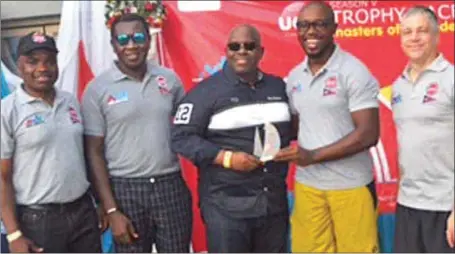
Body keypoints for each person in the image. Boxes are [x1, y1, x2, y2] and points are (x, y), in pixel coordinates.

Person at [171, 24, 293, 253]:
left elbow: (293, 130)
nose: (242, 51)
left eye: (249, 46)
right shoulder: (205, 93)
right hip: (226, 208)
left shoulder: (279, 87)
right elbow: (181, 137)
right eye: (235, 46)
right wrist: (226, 158)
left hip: (272, 205)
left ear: (261, 52)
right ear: (226, 51)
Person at [274, 1, 380, 252]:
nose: (311, 31)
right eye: (303, 25)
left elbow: (368, 134)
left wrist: (313, 156)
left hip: (350, 186)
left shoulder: (353, 71)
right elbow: (296, 128)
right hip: (308, 185)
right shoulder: (295, 77)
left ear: (334, 28)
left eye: (320, 24)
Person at [81, 13, 192, 253]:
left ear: (148, 41)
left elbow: (188, 131)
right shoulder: (97, 89)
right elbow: (94, 152)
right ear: (114, 45)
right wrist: (111, 209)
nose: (131, 45)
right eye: (123, 39)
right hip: (125, 190)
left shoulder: (169, 80)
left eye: (138, 37)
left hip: (169, 184)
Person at [0, 32, 101, 253]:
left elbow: (84, 156)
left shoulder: (71, 102)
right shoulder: (7, 111)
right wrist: (14, 234)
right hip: (38, 221)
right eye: (33, 61)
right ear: (19, 66)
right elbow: (2, 177)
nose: (43, 68)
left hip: (82, 212)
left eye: (49, 61)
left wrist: (100, 204)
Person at [391, 6, 454, 253]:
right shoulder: (399, 86)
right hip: (408, 205)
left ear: (436, 35)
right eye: (407, 32)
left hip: (445, 206)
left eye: (421, 31)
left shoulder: (451, 79)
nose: (414, 38)